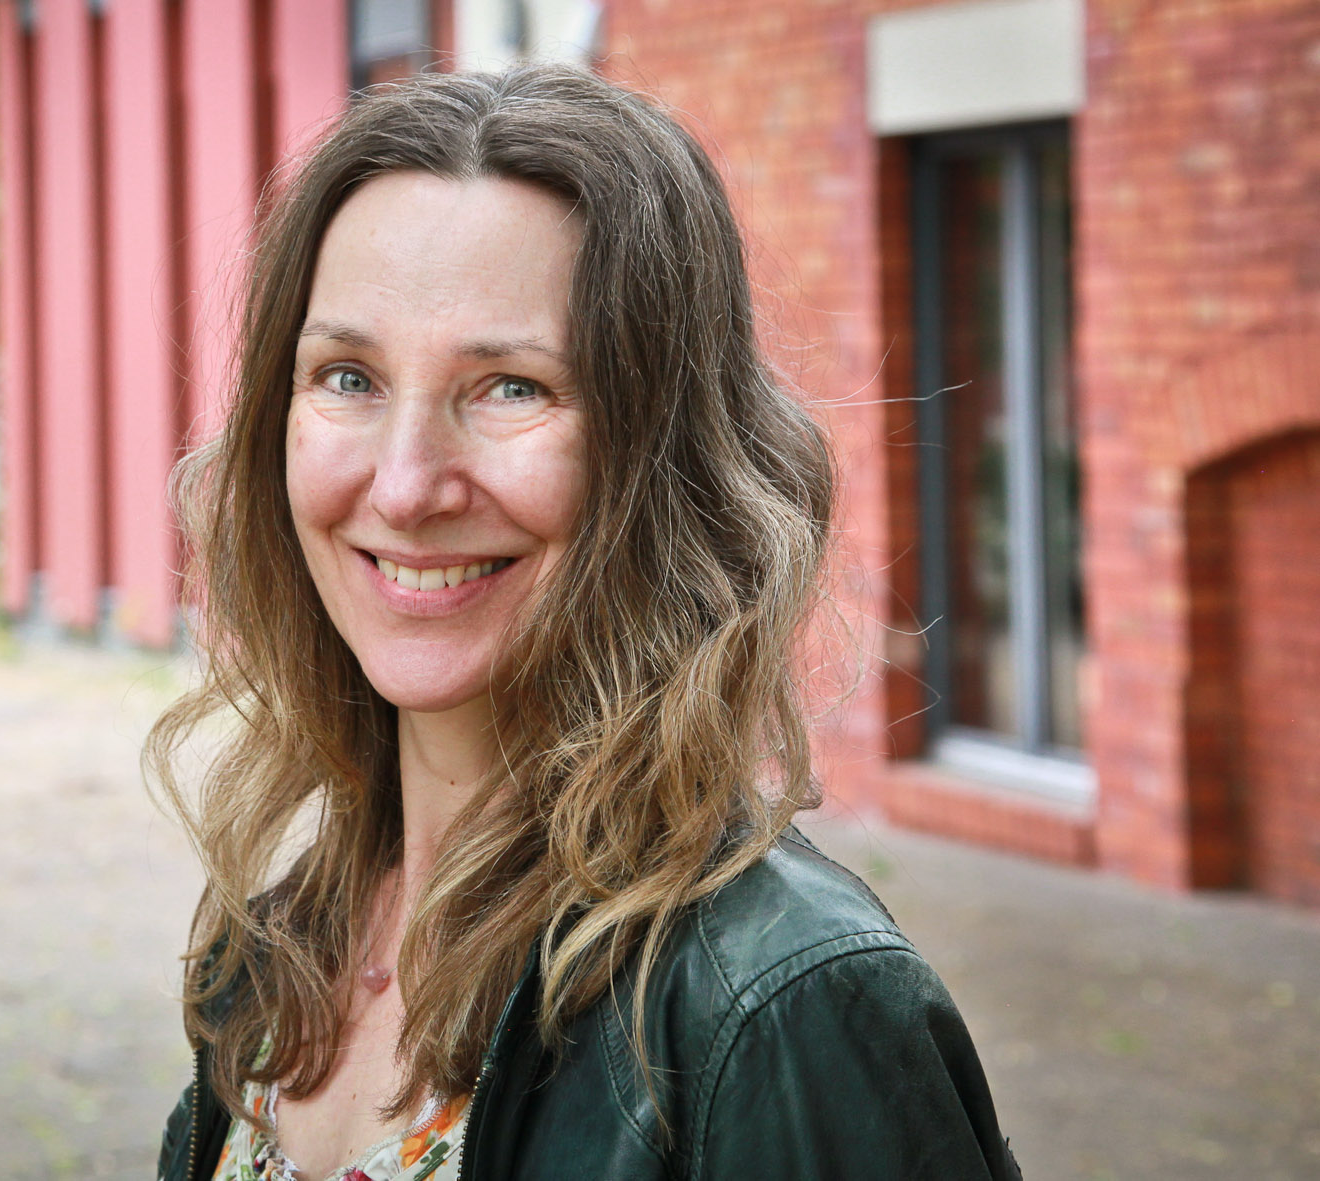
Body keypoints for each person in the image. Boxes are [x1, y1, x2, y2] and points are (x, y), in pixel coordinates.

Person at [148, 63, 1021, 1181]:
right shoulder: (276, 944)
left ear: (667, 458)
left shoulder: (783, 1005)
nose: (405, 486)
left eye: (511, 386)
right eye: (348, 377)